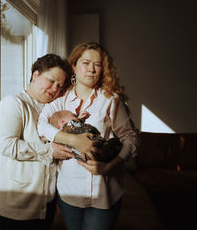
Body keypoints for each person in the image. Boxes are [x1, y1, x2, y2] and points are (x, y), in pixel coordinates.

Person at [37, 42, 139, 230]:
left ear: (102, 70)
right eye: (85, 62)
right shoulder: (60, 99)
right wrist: (74, 140)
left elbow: (130, 138)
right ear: (74, 66)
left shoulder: (110, 99)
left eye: (97, 64)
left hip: (104, 191)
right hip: (69, 191)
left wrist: (108, 167)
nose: (91, 69)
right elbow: (42, 126)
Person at [0, 54, 94, 230]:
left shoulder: (52, 109)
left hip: (45, 203)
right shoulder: (14, 103)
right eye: (51, 81)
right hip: (16, 203)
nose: (55, 89)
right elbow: (7, 145)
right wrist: (49, 151)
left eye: (59, 86)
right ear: (35, 75)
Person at [48, 110, 123, 163]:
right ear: (62, 121)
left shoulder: (59, 139)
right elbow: (75, 123)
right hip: (91, 144)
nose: (76, 118)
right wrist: (79, 118)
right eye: (74, 116)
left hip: (83, 157)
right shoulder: (69, 126)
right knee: (106, 144)